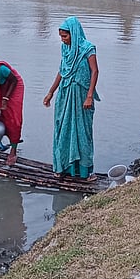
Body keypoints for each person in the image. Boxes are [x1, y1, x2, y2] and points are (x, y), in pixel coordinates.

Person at [43, 16, 99, 179]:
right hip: (65, 94)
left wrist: (89, 96)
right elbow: (62, 70)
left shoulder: (88, 48)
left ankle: (84, 172)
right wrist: (51, 92)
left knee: (82, 132)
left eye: (65, 36)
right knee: (63, 128)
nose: (63, 39)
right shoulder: (65, 49)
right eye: (61, 36)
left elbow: (94, 71)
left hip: (81, 96)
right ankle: (63, 168)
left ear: (74, 34)